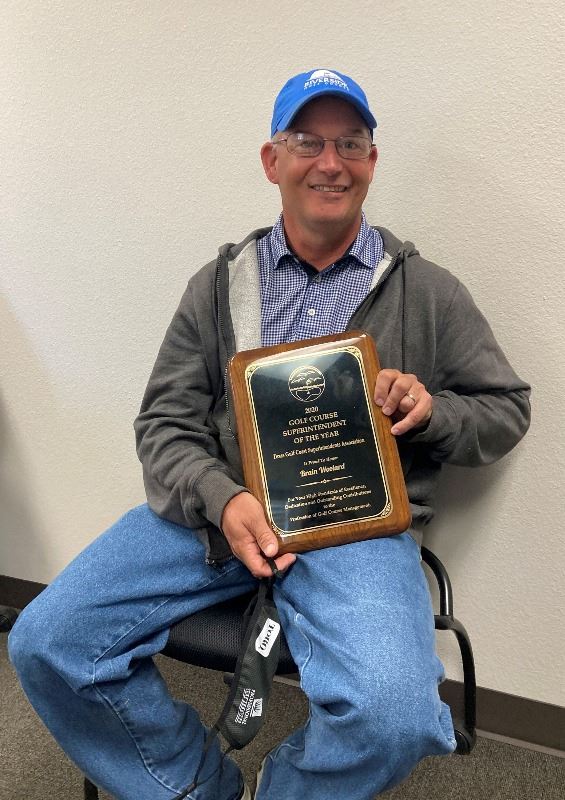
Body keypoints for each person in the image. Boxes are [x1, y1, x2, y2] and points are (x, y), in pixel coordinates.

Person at [9, 68, 530, 800]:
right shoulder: (217, 283)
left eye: (350, 142)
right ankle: (194, 789)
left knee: (398, 714)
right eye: (307, 141)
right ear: (272, 160)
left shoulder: (429, 291)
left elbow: (505, 408)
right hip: (215, 516)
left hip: (353, 525)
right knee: (46, 642)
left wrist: (432, 411)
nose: (329, 161)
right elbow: (162, 421)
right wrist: (220, 498)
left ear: (371, 162)